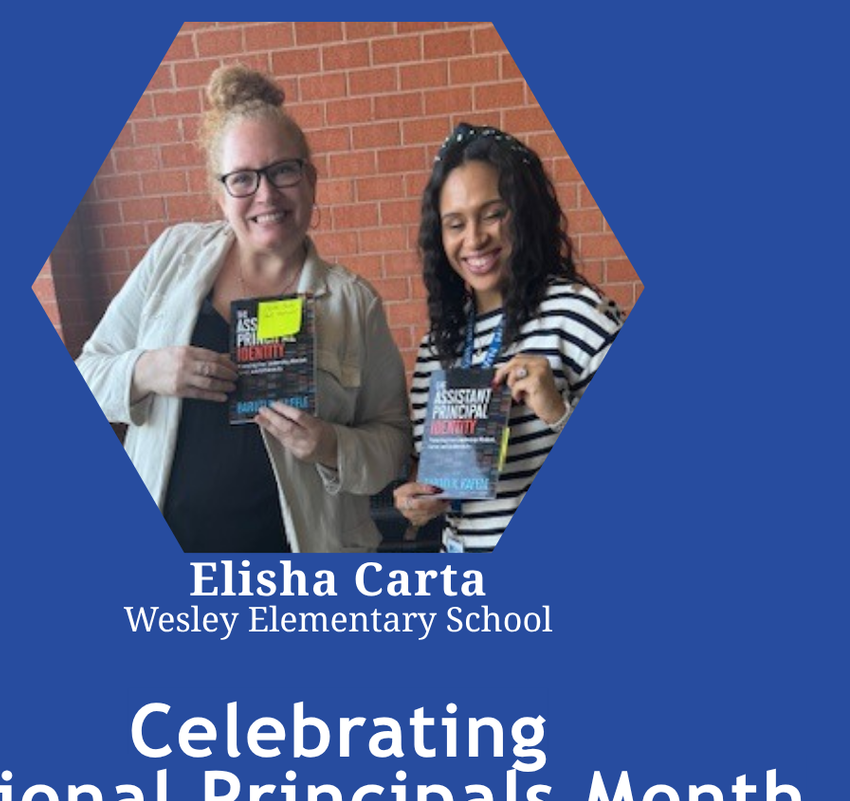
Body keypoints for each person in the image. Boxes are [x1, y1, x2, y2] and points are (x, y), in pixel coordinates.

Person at [76, 65, 411, 553]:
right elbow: (87, 373)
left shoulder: (354, 302)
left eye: (283, 171)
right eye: (243, 179)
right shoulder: (174, 255)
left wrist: (330, 447)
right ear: (219, 193)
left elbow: (392, 441)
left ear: (310, 178)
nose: (267, 194)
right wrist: (145, 369)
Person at [395, 123, 625, 553]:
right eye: (455, 223)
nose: (475, 238)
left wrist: (557, 412)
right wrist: (420, 498)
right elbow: (442, 481)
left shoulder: (577, 315)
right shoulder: (437, 347)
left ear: (524, 213)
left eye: (493, 214)